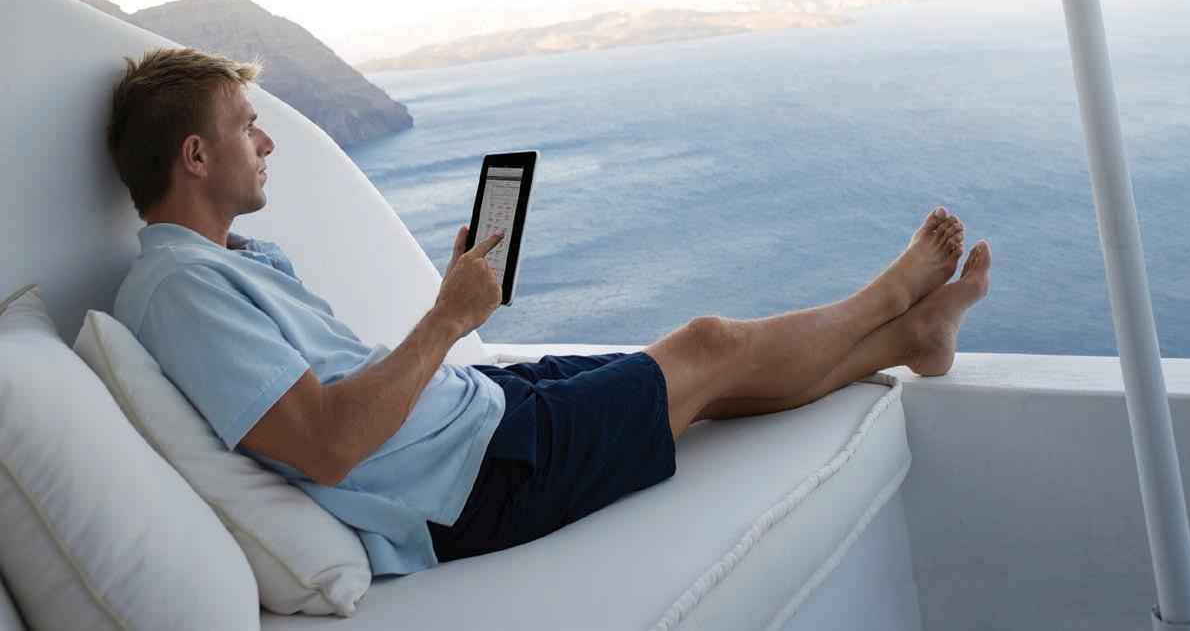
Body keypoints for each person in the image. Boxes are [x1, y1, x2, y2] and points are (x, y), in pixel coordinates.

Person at [107, 46, 991, 576]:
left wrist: (453, 319)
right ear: (196, 155)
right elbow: (326, 444)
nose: (266, 140)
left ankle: (913, 336)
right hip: (475, 481)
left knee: (699, 381)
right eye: (246, 125)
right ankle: (890, 300)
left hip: (474, 420)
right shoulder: (180, 289)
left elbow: (337, 401)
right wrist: (447, 319)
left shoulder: (224, 262)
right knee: (707, 346)